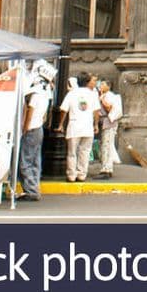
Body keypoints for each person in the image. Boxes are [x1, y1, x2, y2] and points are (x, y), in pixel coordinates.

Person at [18, 60, 55, 201]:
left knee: (25, 160)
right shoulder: (46, 94)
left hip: (32, 128)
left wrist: (25, 127)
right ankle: (35, 187)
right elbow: (46, 114)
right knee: (35, 160)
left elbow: (30, 110)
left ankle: (31, 190)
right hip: (38, 128)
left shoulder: (35, 94)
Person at [56, 73, 102, 182]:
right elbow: (96, 111)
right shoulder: (92, 95)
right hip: (87, 126)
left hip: (74, 126)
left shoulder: (72, 94)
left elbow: (63, 110)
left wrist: (60, 124)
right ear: (87, 82)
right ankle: (81, 174)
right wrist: (95, 124)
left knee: (72, 152)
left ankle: (71, 175)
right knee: (85, 151)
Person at [97, 79, 122, 179]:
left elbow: (109, 108)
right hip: (104, 122)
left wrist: (102, 100)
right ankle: (105, 166)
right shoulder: (104, 95)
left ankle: (107, 168)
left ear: (108, 86)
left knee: (107, 144)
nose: (101, 85)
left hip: (108, 122)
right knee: (104, 144)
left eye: (102, 84)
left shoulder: (109, 96)